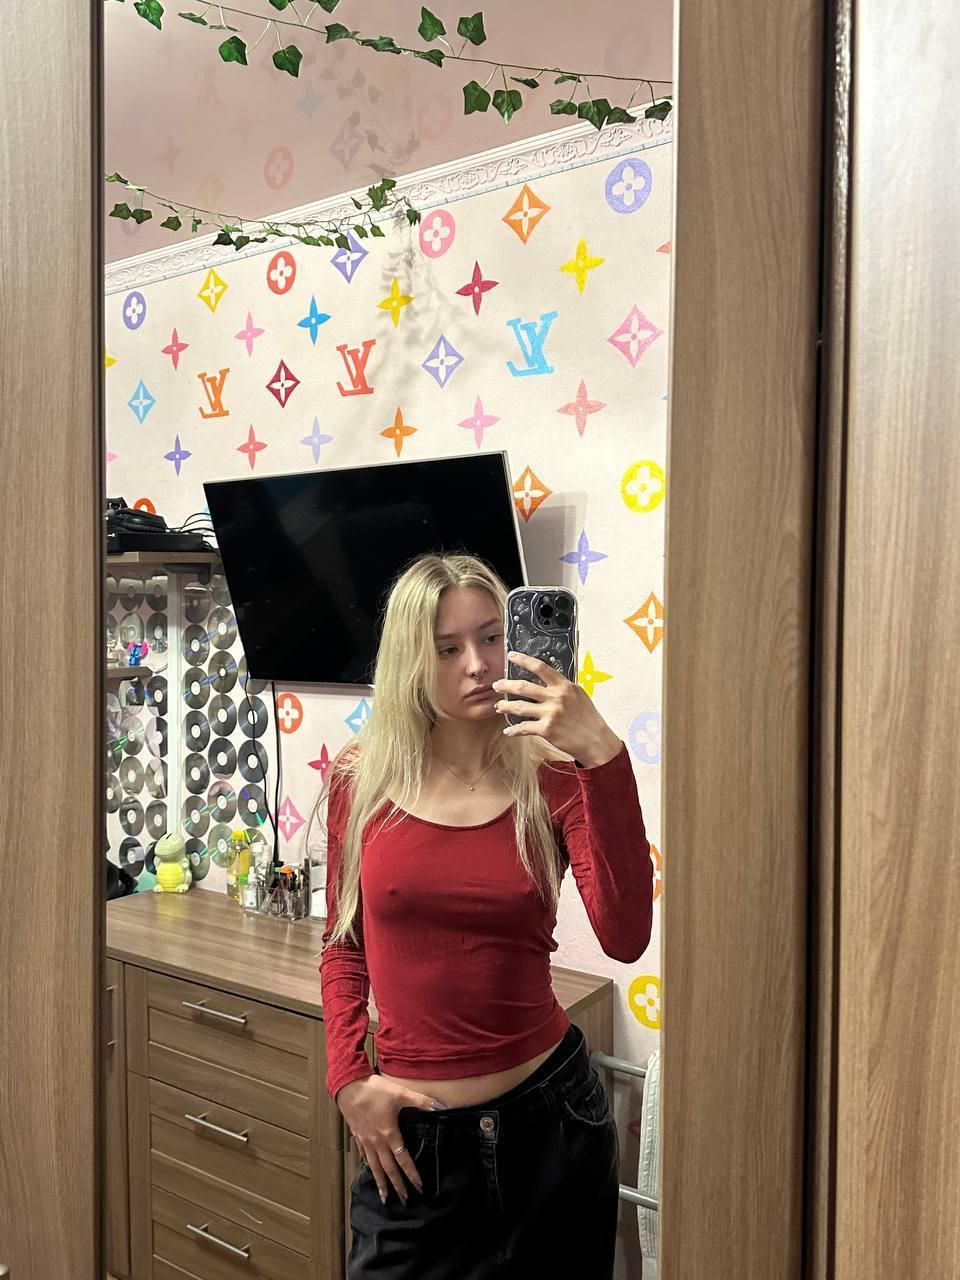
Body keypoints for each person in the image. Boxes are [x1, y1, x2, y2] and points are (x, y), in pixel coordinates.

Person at [316, 552, 654, 1279]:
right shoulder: (360, 780)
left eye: (493, 637)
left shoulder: (556, 777)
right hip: (415, 1149)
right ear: (412, 661)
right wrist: (347, 1078)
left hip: (553, 1130)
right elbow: (343, 945)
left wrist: (601, 753)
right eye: (447, 648)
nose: (477, 664)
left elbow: (626, 937)